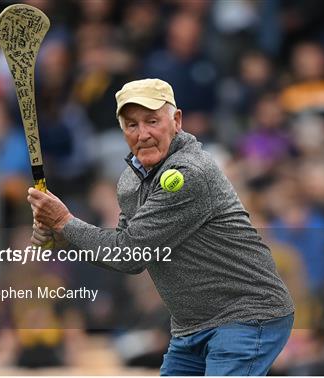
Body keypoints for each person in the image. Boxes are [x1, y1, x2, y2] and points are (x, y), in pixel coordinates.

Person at [27, 78, 295, 376]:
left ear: (176, 120)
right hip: (192, 326)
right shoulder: (130, 180)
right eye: (131, 125)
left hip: (247, 315)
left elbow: (129, 255)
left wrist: (65, 222)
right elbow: (122, 243)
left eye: (152, 121)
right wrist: (64, 235)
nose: (142, 134)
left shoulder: (188, 174)